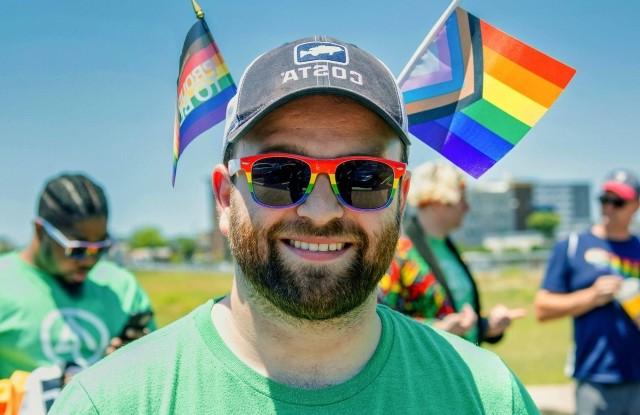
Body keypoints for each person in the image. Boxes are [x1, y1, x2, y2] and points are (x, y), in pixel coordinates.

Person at [51, 36, 537, 414]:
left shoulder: (487, 397)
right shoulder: (112, 403)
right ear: (225, 197)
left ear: (401, 198)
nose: (321, 211)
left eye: (363, 176)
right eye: (279, 174)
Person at [0, 174, 155, 389]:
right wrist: (40, 390)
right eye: (77, 249)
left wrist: (138, 361)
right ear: (40, 230)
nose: (89, 261)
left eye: (101, 249)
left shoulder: (122, 288)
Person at [379, 161, 526, 343]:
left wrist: (487, 326)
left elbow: (458, 314)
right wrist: (439, 329)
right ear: (437, 200)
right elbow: (381, 320)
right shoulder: (399, 252)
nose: (466, 208)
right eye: (461, 199)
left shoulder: (446, 247)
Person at [535, 169, 640, 414]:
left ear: (635, 205)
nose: (609, 208)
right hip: (593, 376)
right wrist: (592, 297)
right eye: (605, 200)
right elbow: (542, 308)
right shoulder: (572, 246)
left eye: (618, 202)